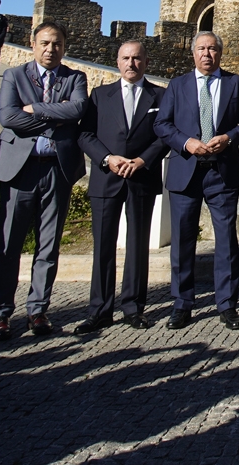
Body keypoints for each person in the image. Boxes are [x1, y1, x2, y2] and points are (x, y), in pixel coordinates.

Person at [0, 21, 88, 340]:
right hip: (20, 168)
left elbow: (77, 109)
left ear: (64, 47)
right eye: (45, 43)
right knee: (9, 245)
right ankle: (2, 314)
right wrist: (54, 117)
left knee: (49, 244)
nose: (50, 49)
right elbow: (7, 117)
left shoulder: (76, 77)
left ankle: (38, 310)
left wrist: (36, 110)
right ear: (33, 44)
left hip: (57, 169)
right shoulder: (14, 76)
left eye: (57, 44)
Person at [154, 30, 239, 331]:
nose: (207, 54)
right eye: (201, 49)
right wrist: (186, 142)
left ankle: (227, 305)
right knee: (183, 241)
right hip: (185, 170)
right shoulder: (178, 85)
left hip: (221, 172)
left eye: (212, 49)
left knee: (226, 240)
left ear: (220, 53)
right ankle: (182, 303)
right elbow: (162, 124)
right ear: (193, 53)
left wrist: (229, 137)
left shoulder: (235, 83)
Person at [76, 40, 166, 333]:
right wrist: (107, 158)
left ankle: (133, 307)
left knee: (138, 246)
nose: (131, 63)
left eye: (137, 58)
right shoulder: (100, 95)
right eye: (126, 58)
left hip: (141, 177)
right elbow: (85, 134)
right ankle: (99, 309)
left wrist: (143, 160)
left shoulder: (160, 96)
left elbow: (165, 135)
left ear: (146, 62)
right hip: (107, 178)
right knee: (103, 245)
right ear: (117, 62)